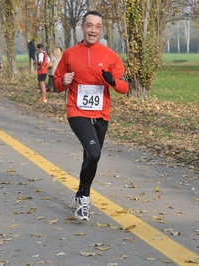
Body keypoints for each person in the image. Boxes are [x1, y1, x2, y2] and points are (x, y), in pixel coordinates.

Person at [54, 11, 129, 221]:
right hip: (77, 111)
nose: (93, 30)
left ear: (101, 30)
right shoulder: (69, 54)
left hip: (101, 113)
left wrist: (112, 81)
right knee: (94, 153)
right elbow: (57, 83)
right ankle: (85, 197)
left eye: (97, 26)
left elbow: (125, 88)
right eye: (89, 25)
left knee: (90, 155)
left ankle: (80, 194)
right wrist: (64, 81)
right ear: (83, 27)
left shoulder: (110, 56)